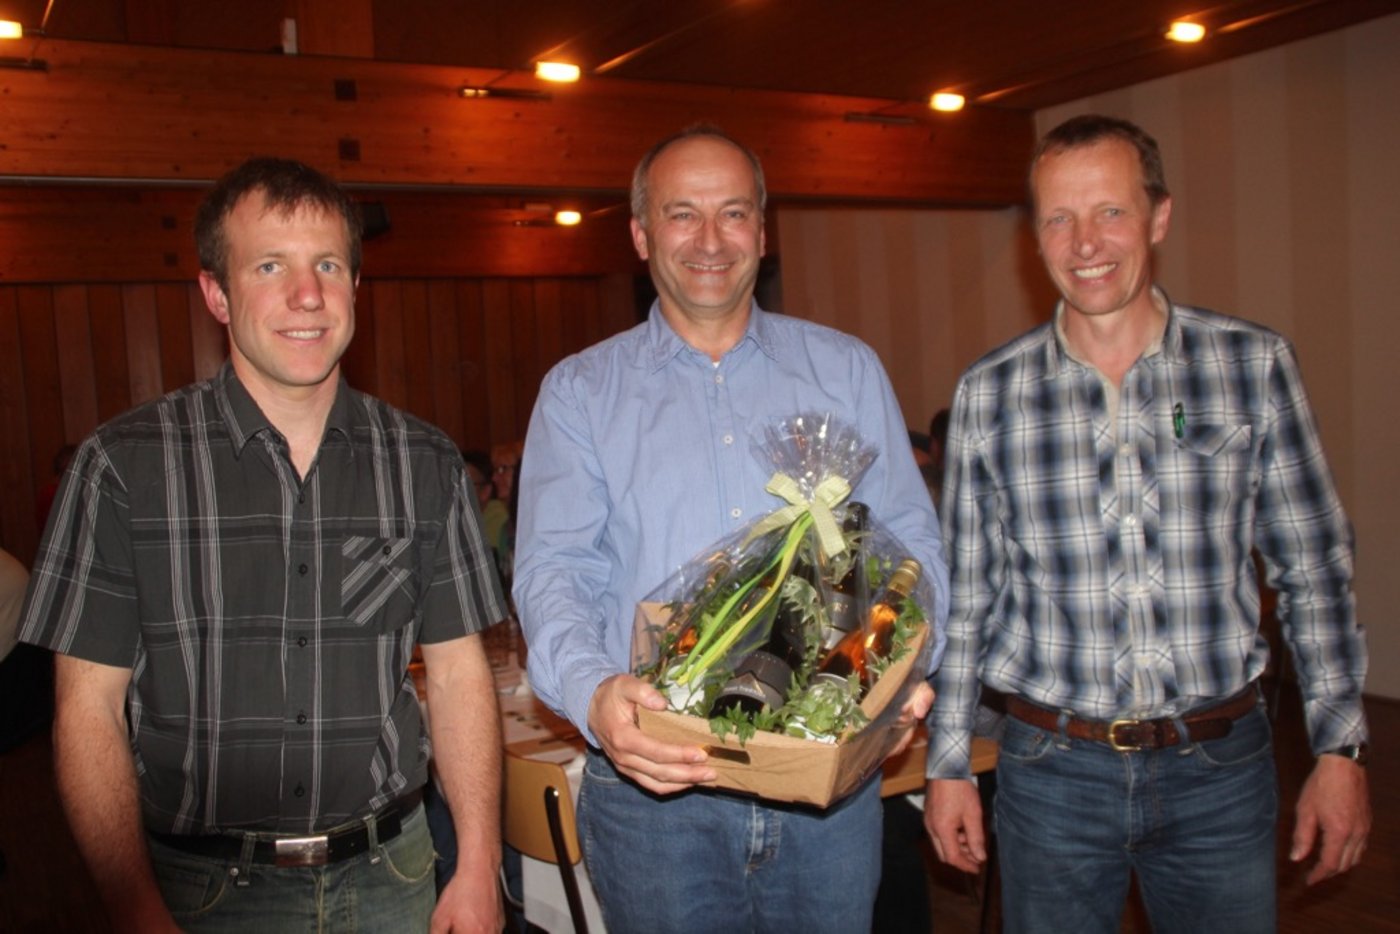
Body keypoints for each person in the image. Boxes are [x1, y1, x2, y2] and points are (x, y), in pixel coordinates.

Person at [17, 158, 508, 933]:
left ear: (356, 286)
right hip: (200, 896)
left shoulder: (426, 463)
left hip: (393, 878)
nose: (307, 295)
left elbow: (456, 676)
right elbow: (88, 711)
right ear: (216, 293)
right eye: (270, 266)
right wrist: (134, 906)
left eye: (328, 266)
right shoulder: (121, 468)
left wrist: (478, 861)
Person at [924, 114, 1370, 933]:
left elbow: (1315, 569)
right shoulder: (990, 394)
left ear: (1158, 217)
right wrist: (949, 761)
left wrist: (1339, 750)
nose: (1085, 243)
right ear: (1035, 237)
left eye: (1110, 211)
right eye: (1059, 218)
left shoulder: (1252, 366)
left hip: (1220, 768)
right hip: (1051, 773)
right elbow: (968, 601)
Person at [513, 125, 949, 933]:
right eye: (682, 214)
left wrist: (907, 670)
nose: (710, 240)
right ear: (641, 234)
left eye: (734, 213)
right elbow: (554, 571)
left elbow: (913, 552)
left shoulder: (846, 369)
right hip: (657, 797)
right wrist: (593, 690)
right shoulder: (580, 393)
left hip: (825, 785)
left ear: (762, 231)